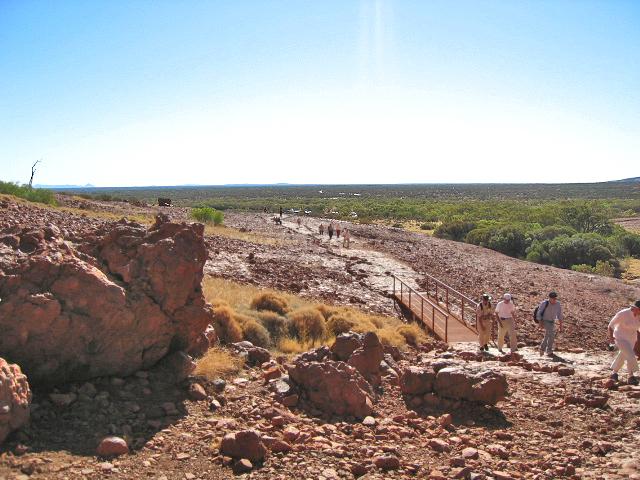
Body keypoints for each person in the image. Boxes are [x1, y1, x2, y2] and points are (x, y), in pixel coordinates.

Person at [608, 300, 640, 384]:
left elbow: (638, 330)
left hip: (632, 339)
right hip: (620, 338)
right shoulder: (623, 314)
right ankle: (631, 375)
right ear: (635, 308)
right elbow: (610, 326)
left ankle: (614, 374)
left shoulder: (639, 316)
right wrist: (611, 341)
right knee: (630, 354)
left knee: (623, 355)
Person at [536, 291, 563, 357]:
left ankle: (542, 350)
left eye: (555, 298)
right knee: (551, 334)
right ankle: (548, 350)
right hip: (544, 320)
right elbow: (539, 313)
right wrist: (540, 323)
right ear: (549, 298)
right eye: (553, 298)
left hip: (552, 321)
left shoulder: (558, 304)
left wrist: (561, 325)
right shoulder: (544, 303)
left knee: (548, 335)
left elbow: (560, 315)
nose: (554, 300)